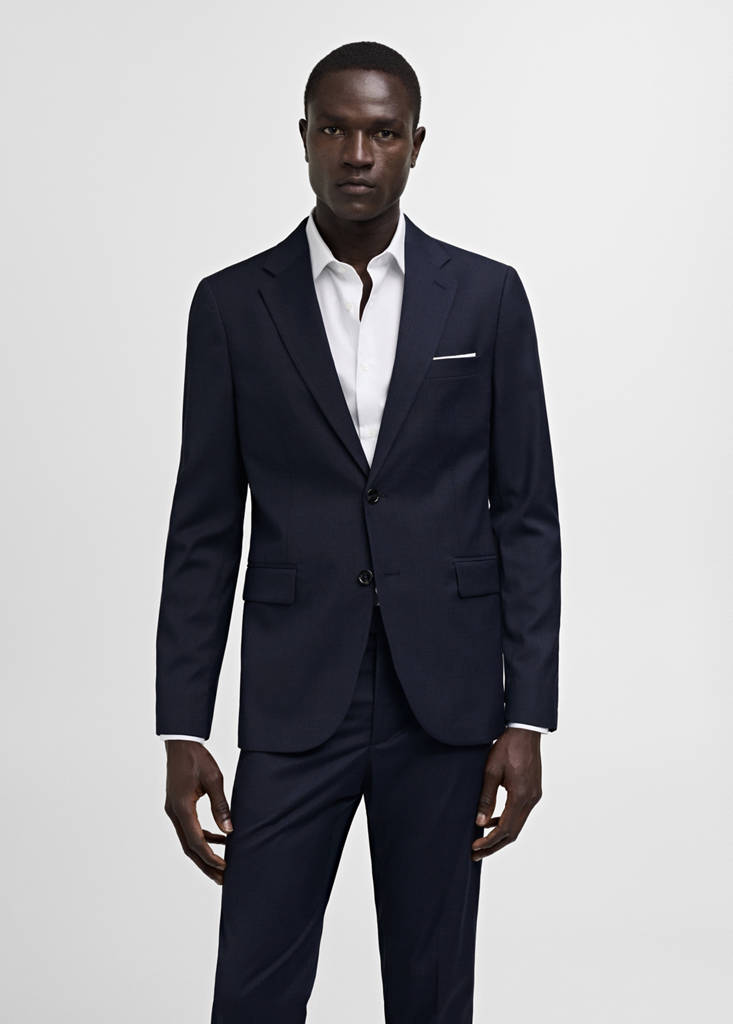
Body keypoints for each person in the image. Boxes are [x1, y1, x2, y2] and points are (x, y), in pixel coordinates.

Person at [155, 39, 561, 1023]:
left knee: (431, 991)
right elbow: (204, 527)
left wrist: (527, 715)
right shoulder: (232, 305)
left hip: (446, 701)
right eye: (335, 129)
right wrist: (182, 725)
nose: (357, 153)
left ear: (416, 144)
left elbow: (525, 514)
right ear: (303, 138)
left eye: (381, 132)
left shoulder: (487, 297)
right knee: (253, 992)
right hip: (296, 694)